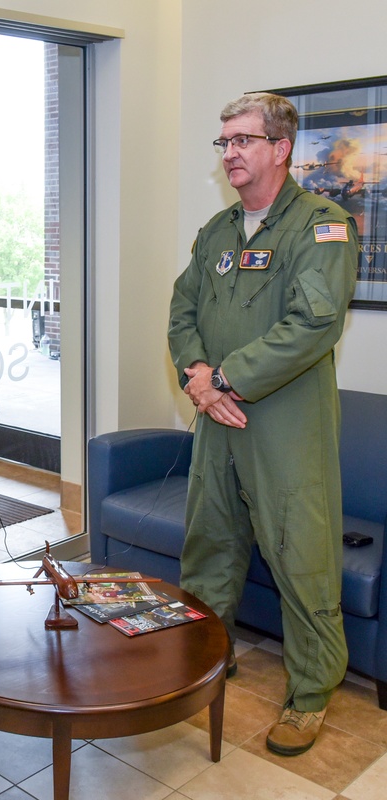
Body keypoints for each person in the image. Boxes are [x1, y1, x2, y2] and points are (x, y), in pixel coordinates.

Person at [168, 91, 357, 757]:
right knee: (209, 545)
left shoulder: (322, 226)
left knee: (301, 559)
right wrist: (197, 372)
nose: (230, 153)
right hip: (217, 420)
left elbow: (314, 323)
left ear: (281, 149)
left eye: (243, 140)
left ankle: (309, 695)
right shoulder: (217, 231)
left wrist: (222, 378)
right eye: (224, 142)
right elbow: (183, 309)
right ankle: (205, 661)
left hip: (284, 426)